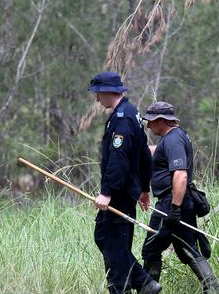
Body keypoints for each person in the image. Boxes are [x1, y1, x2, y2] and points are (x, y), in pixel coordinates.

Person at [88, 71, 162, 294]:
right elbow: (143, 156)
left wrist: (107, 192)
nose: (96, 98)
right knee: (103, 236)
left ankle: (140, 284)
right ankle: (142, 282)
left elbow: (119, 159)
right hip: (128, 190)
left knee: (115, 244)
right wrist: (144, 189)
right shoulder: (131, 114)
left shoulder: (122, 119)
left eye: (98, 93)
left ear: (108, 91)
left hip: (119, 193)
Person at [141, 101, 219, 294]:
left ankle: (149, 289)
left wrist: (174, 209)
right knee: (187, 248)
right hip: (180, 202)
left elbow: (180, 174)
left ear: (161, 121)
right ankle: (213, 290)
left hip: (170, 204)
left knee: (151, 249)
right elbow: (160, 153)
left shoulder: (173, 140)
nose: (148, 126)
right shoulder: (176, 136)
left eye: (151, 122)